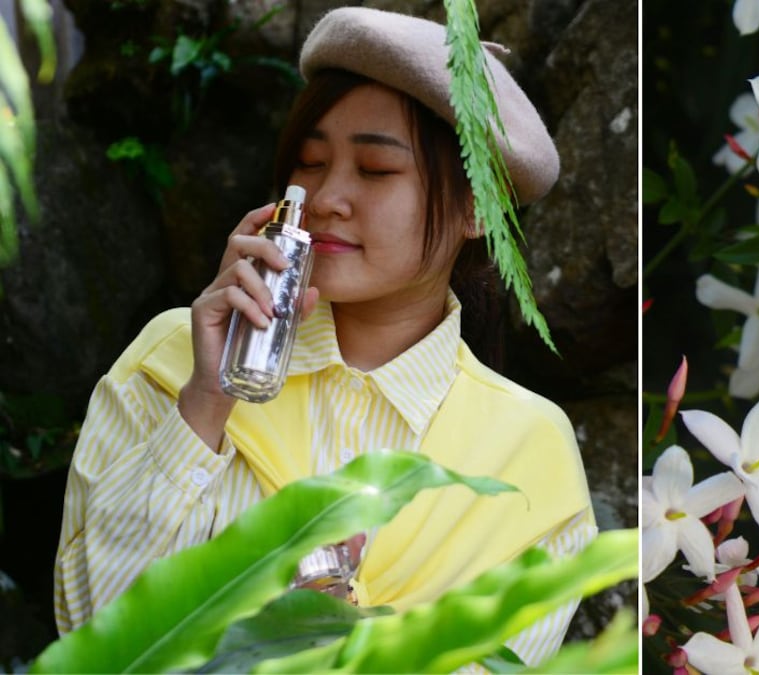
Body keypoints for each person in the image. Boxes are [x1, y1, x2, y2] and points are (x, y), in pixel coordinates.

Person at [52, 7, 595, 667]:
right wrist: (205, 400)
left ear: (476, 206)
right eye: (309, 162)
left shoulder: (527, 455)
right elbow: (88, 636)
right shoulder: (172, 357)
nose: (327, 194)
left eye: (374, 169)